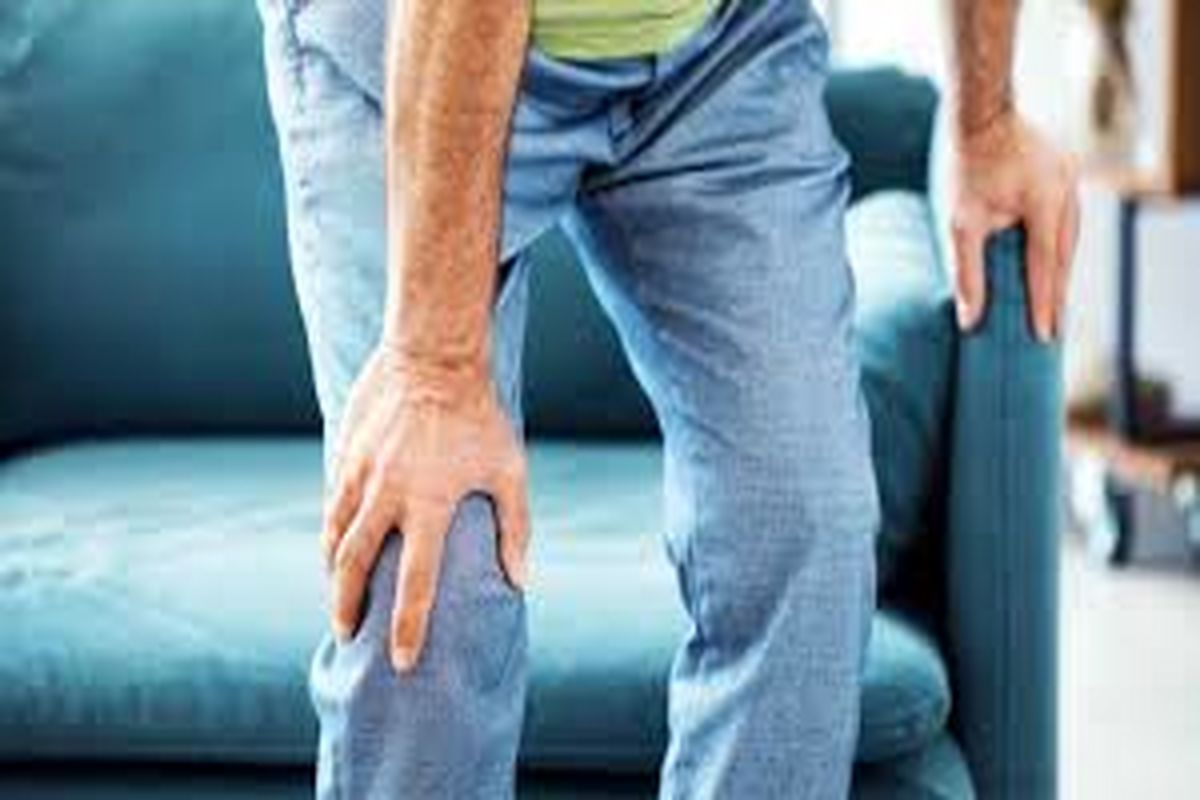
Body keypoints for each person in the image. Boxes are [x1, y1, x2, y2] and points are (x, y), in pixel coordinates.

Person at [254, 0, 1079, 796]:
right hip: (404, 37)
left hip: (713, 49)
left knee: (801, 521)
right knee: (432, 561)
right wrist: (433, 363)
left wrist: (985, 123)